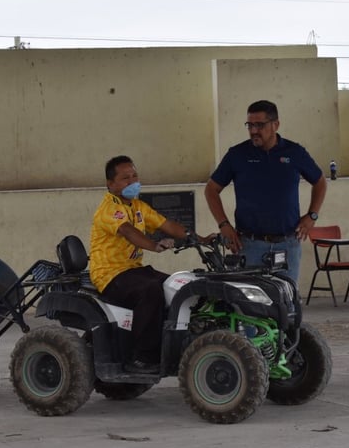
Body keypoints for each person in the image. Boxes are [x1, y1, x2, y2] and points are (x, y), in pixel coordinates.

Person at [90, 155, 204, 374]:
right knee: (150, 291)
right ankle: (142, 357)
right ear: (110, 184)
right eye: (125, 178)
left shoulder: (138, 206)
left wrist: (200, 239)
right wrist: (154, 245)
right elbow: (128, 231)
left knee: (178, 287)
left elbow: (167, 224)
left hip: (134, 270)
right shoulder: (109, 209)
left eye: (134, 176)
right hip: (110, 274)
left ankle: (174, 343)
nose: (132, 181)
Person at [204, 100, 327, 284]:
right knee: (250, 305)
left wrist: (312, 215)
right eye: (250, 125)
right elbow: (211, 189)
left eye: (259, 125)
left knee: (287, 303)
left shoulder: (294, 152)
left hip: (288, 245)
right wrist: (224, 225)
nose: (254, 130)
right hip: (249, 245)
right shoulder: (237, 155)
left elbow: (320, 182)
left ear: (275, 124)